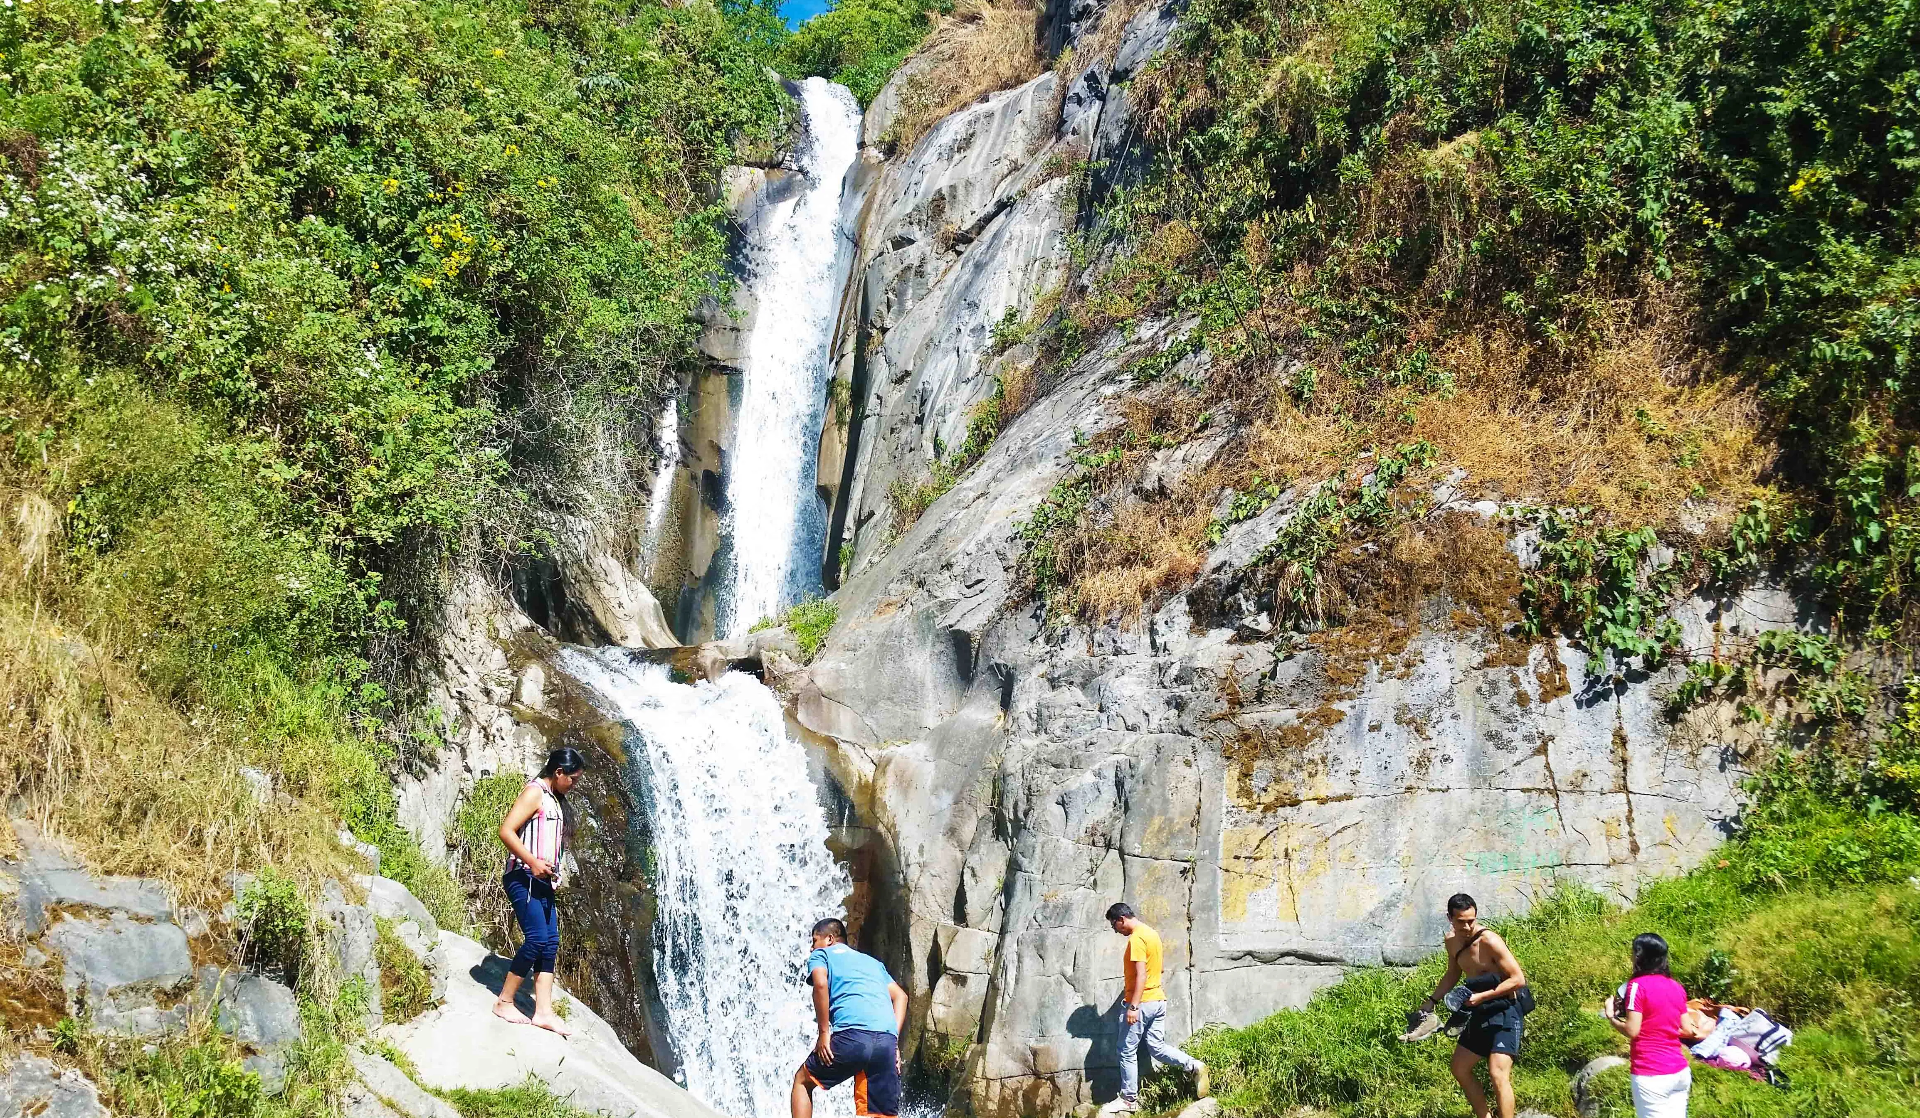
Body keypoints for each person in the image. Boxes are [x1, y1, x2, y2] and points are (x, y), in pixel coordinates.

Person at [492, 747, 584, 1036]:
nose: (575, 784)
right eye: (573, 778)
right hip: (523, 876)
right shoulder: (534, 793)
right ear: (559, 773)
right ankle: (504, 1001)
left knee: (550, 942)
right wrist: (531, 862)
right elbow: (506, 830)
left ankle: (543, 1012)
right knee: (536, 939)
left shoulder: (555, 799)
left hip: (543, 881)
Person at [1417, 894, 1529, 1118]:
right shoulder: (1451, 941)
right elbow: (1453, 973)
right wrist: (1432, 1001)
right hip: (1480, 1010)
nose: (1467, 926)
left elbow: (1518, 979)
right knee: (1459, 1067)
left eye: (1472, 920)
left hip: (1506, 1009)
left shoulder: (1489, 941)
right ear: (1449, 918)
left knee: (1498, 1073)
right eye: (1461, 921)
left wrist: (1483, 996)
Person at [792, 917, 909, 1118]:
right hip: (885, 1043)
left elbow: (820, 985)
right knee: (877, 1114)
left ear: (829, 939)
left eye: (814, 940)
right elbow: (901, 996)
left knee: (802, 1081)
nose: (812, 948)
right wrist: (893, 1041)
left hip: (853, 1037)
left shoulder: (822, 954)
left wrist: (823, 1033)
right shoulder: (873, 963)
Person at [1099, 903, 1209, 1114]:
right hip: (1158, 1000)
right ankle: (1193, 1065)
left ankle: (1129, 1099)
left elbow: (1142, 974)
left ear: (1121, 919)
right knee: (1156, 1047)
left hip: (1143, 1003)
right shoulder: (1152, 934)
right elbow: (1157, 968)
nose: (1115, 930)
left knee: (1126, 1050)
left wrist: (1133, 1006)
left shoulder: (1137, 939)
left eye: (1114, 925)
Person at [1605, 933, 1691, 1118]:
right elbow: (1687, 1028)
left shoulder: (1636, 986)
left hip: (1651, 1073)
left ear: (1639, 956)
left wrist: (1611, 1017)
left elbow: (1632, 1030)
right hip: (1680, 1072)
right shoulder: (1676, 987)